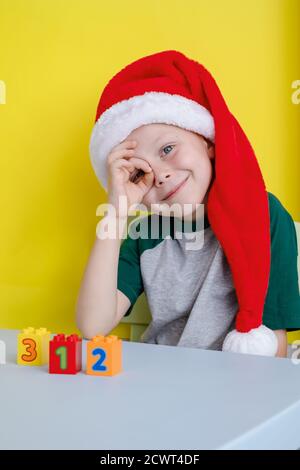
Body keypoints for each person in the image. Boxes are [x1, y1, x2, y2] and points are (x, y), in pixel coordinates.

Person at [76, 50, 300, 357]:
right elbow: (93, 325)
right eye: (141, 171)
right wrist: (116, 213)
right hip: (162, 382)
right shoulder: (146, 234)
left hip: (234, 388)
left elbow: (272, 348)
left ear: (207, 141)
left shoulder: (264, 215)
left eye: (167, 148)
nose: (160, 175)